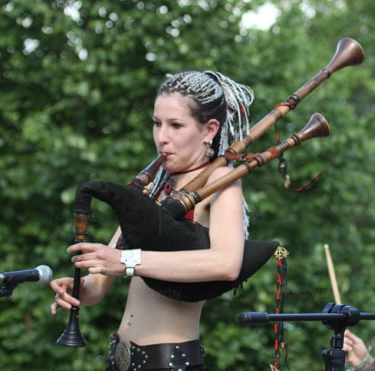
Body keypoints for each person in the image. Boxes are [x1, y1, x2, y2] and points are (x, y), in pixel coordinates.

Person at [50, 70, 254, 371]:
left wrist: (126, 261)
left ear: (210, 130)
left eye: (176, 125)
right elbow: (100, 285)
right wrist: (79, 289)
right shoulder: (153, 187)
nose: (162, 137)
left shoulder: (220, 180)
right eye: (157, 124)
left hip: (171, 362)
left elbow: (226, 264)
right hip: (119, 360)